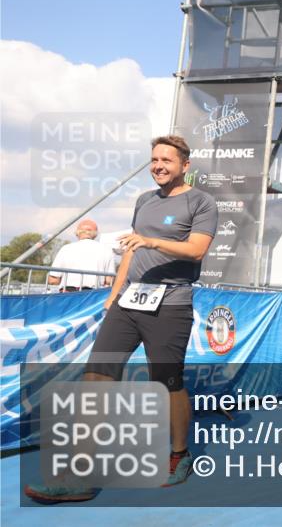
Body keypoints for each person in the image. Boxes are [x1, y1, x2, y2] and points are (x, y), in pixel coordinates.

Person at [25, 135, 217, 503]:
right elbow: (131, 252)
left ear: (185, 166)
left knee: (168, 382)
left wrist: (152, 242)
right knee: (97, 374)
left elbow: (196, 250)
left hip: (171, 303)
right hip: (130, 301)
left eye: (167, 160)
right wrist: (114, 294)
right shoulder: (145, 201)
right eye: (154, 159)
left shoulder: (201, 202)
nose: (159, 165)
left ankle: (179, 455)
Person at [48, 219, 116, 291]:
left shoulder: (65, 249)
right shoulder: (107, 250)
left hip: (68, 294)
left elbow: (53, 280)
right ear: (95, 234)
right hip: (94, 295)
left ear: (77, 233)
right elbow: (109, 280)